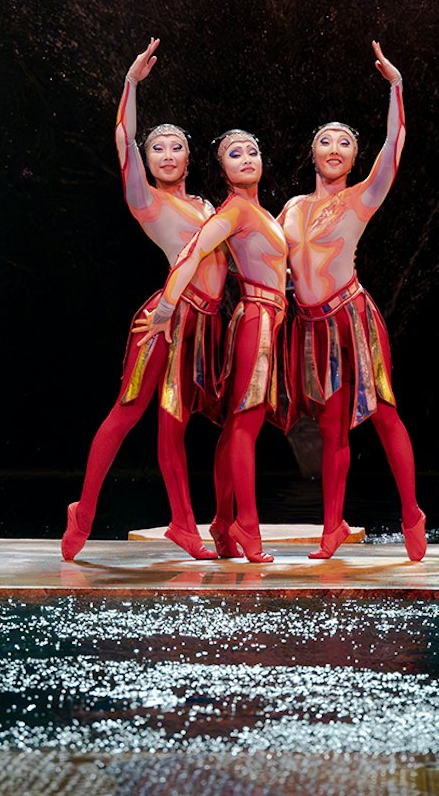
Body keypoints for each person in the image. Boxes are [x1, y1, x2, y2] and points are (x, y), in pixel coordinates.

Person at [62, 39, 227, 562]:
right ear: (147, 161)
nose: (168, 154)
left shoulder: (205, 204)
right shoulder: (146, 200)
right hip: (166, 318)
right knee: (129, 411)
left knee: (175, 422)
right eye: (158, 147)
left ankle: (184, 524)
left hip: (206, 324)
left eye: (176, 146)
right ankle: (83, 510)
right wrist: (131, 84)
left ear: (188, 157)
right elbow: (121, 138)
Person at [279, 41, 427, 561]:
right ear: (313, 154)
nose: (335, 148)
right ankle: (331, 527)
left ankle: (411, 512)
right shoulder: (293, 207)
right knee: (330, 426)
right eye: (326, 141)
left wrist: (396, 86)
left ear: (354, 156)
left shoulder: (360, 198)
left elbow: (396, 144)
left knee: (384, 414)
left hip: (352, 317)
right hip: (309, 327)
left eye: (344, 142)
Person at [136, 129, 288, 562]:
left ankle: (224, 522)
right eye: (233, 154)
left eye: (252, 152)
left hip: (266, 320)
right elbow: (191, 253)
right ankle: (247, 526)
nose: (245, 159)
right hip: (256, 319)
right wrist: (166, 307)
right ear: (221, 170)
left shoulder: (259, 211)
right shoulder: (235, 209)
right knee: (245, 425)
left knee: (238, 428)